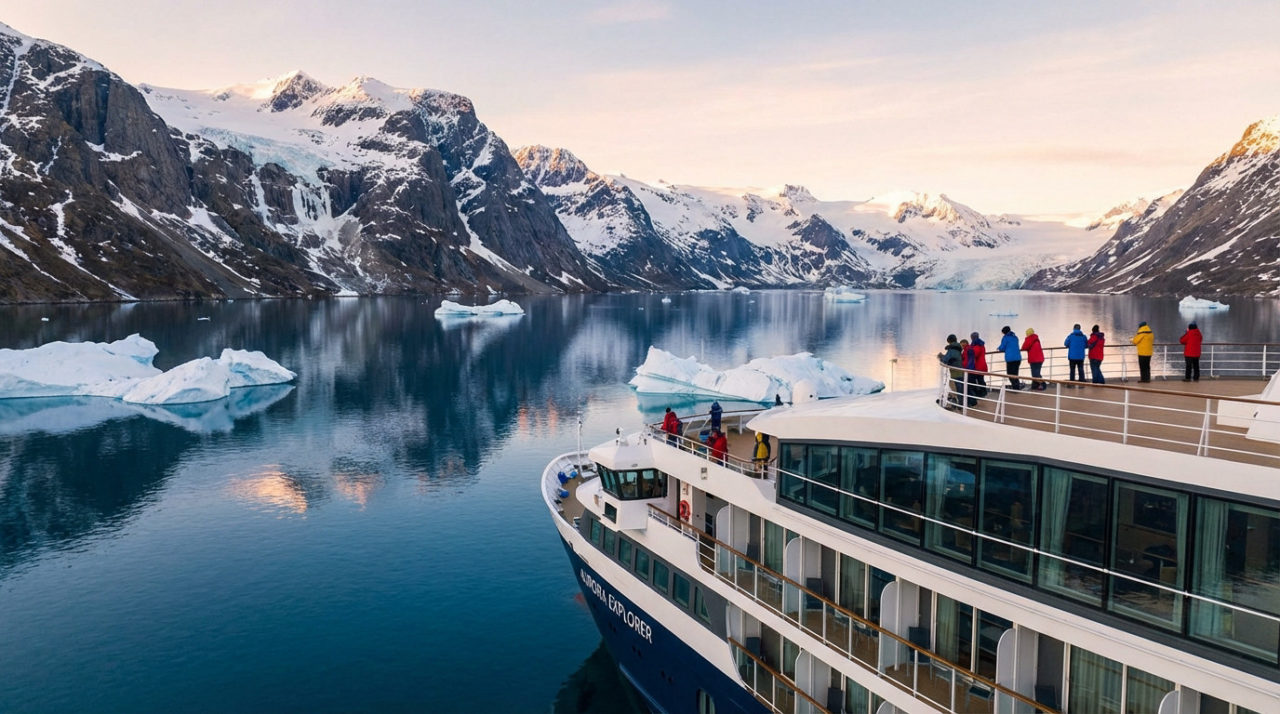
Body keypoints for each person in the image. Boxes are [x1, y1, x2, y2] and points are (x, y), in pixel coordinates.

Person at [938, 334, 964, 407]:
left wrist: (940, 357)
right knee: (960, 386)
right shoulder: (957, 348)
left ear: (949, 341)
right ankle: (961, 402)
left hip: (955, 370)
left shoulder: (952, 349)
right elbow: (951, 357)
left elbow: (946, 359)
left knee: (957, 387)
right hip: (960, 368)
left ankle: (960, 403)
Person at [998, 325, 1023, 390]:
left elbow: (1002, 347)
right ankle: (1017, 387)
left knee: (1010, 374)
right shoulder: (1015, 337)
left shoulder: (1005, 338)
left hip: (1010, 359)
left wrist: (998, 348)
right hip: (1018, 358)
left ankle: (1015, 388)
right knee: (1015, 374)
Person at [969, 331, 989, 397]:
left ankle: (982, 392)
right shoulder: (981, 344)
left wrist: (970, 351)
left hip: (978, 366)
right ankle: (982, 391)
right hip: (982, 364)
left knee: (978, 379)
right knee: (980, 379)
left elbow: (975, 354)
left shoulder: (977, 345)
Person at [960, 338, 979, 406]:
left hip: (969, 370)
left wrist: (967, 368)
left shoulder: (968, 350)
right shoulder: (966, 350)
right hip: (969, 370)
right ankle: (972, 401)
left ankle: (973, 402)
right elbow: (964, 358)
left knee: (969, 387)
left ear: (964, 343)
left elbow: (969, 361)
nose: (961, 346)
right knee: (969, 386)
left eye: (962, 345)